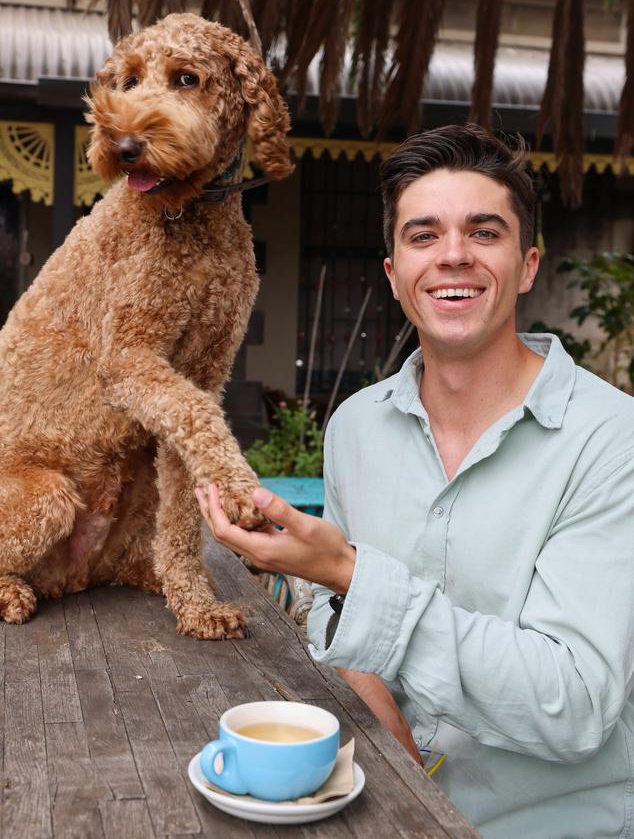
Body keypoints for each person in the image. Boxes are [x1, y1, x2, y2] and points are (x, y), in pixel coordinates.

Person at [196, 124, 634, 838]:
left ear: (527, 265)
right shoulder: (356, 428)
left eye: (483, 231)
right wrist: (400, 759)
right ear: (395, 273)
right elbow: (343, 629)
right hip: (384, 807)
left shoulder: (612, 438)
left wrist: (348, 571)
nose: (452, 254)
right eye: (423, 235)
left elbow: (575, 705)